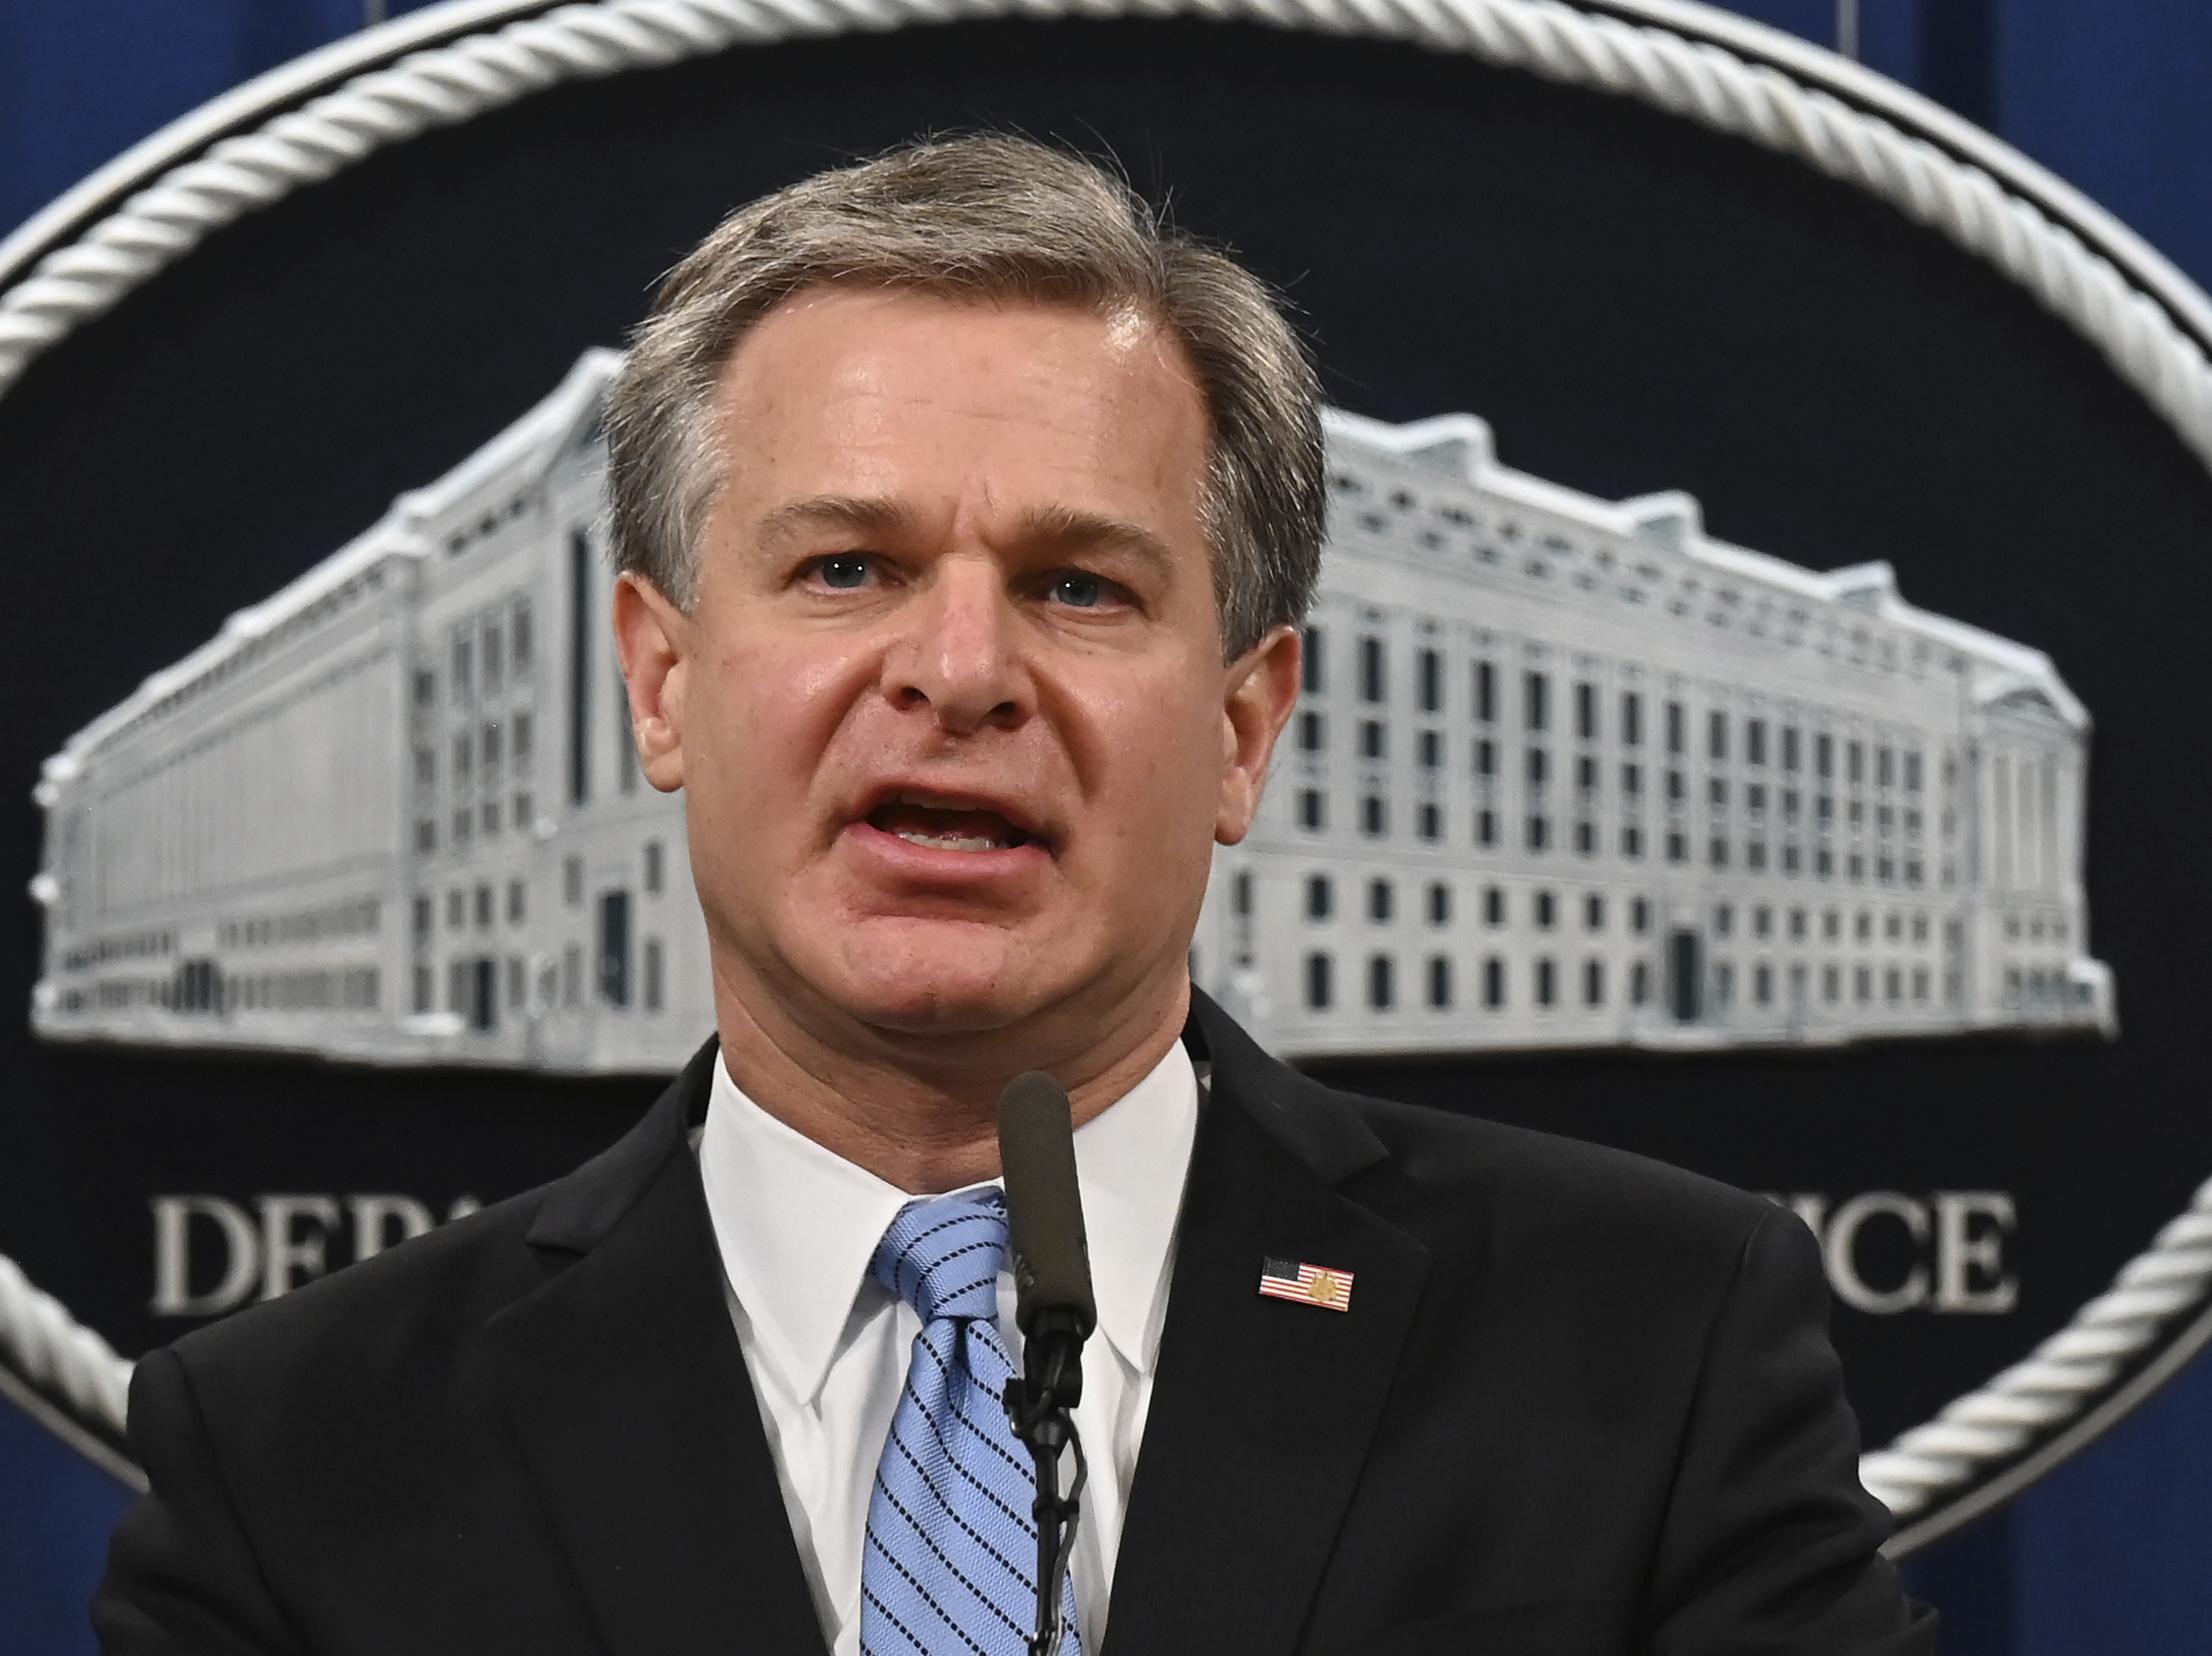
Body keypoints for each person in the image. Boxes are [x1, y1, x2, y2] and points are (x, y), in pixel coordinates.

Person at [93, 135, 1934, 1656]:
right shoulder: (296, 1453)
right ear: (660, 680)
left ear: (1239, 726)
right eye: (843, 566)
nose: (959, 669)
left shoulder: (1652, 1344)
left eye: (1078, 587)